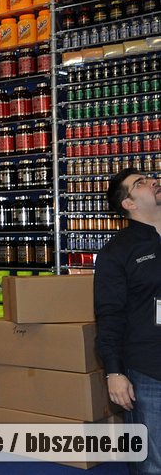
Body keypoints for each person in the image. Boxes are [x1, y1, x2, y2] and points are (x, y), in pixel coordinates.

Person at [94, 168, 161, 474]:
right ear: (129, 204)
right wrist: (114, 372)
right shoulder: (117, 252)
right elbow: (109, 314)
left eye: (149, 177)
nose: (153, 181)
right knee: (152, 463)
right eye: (140, 183)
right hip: (149, 371)